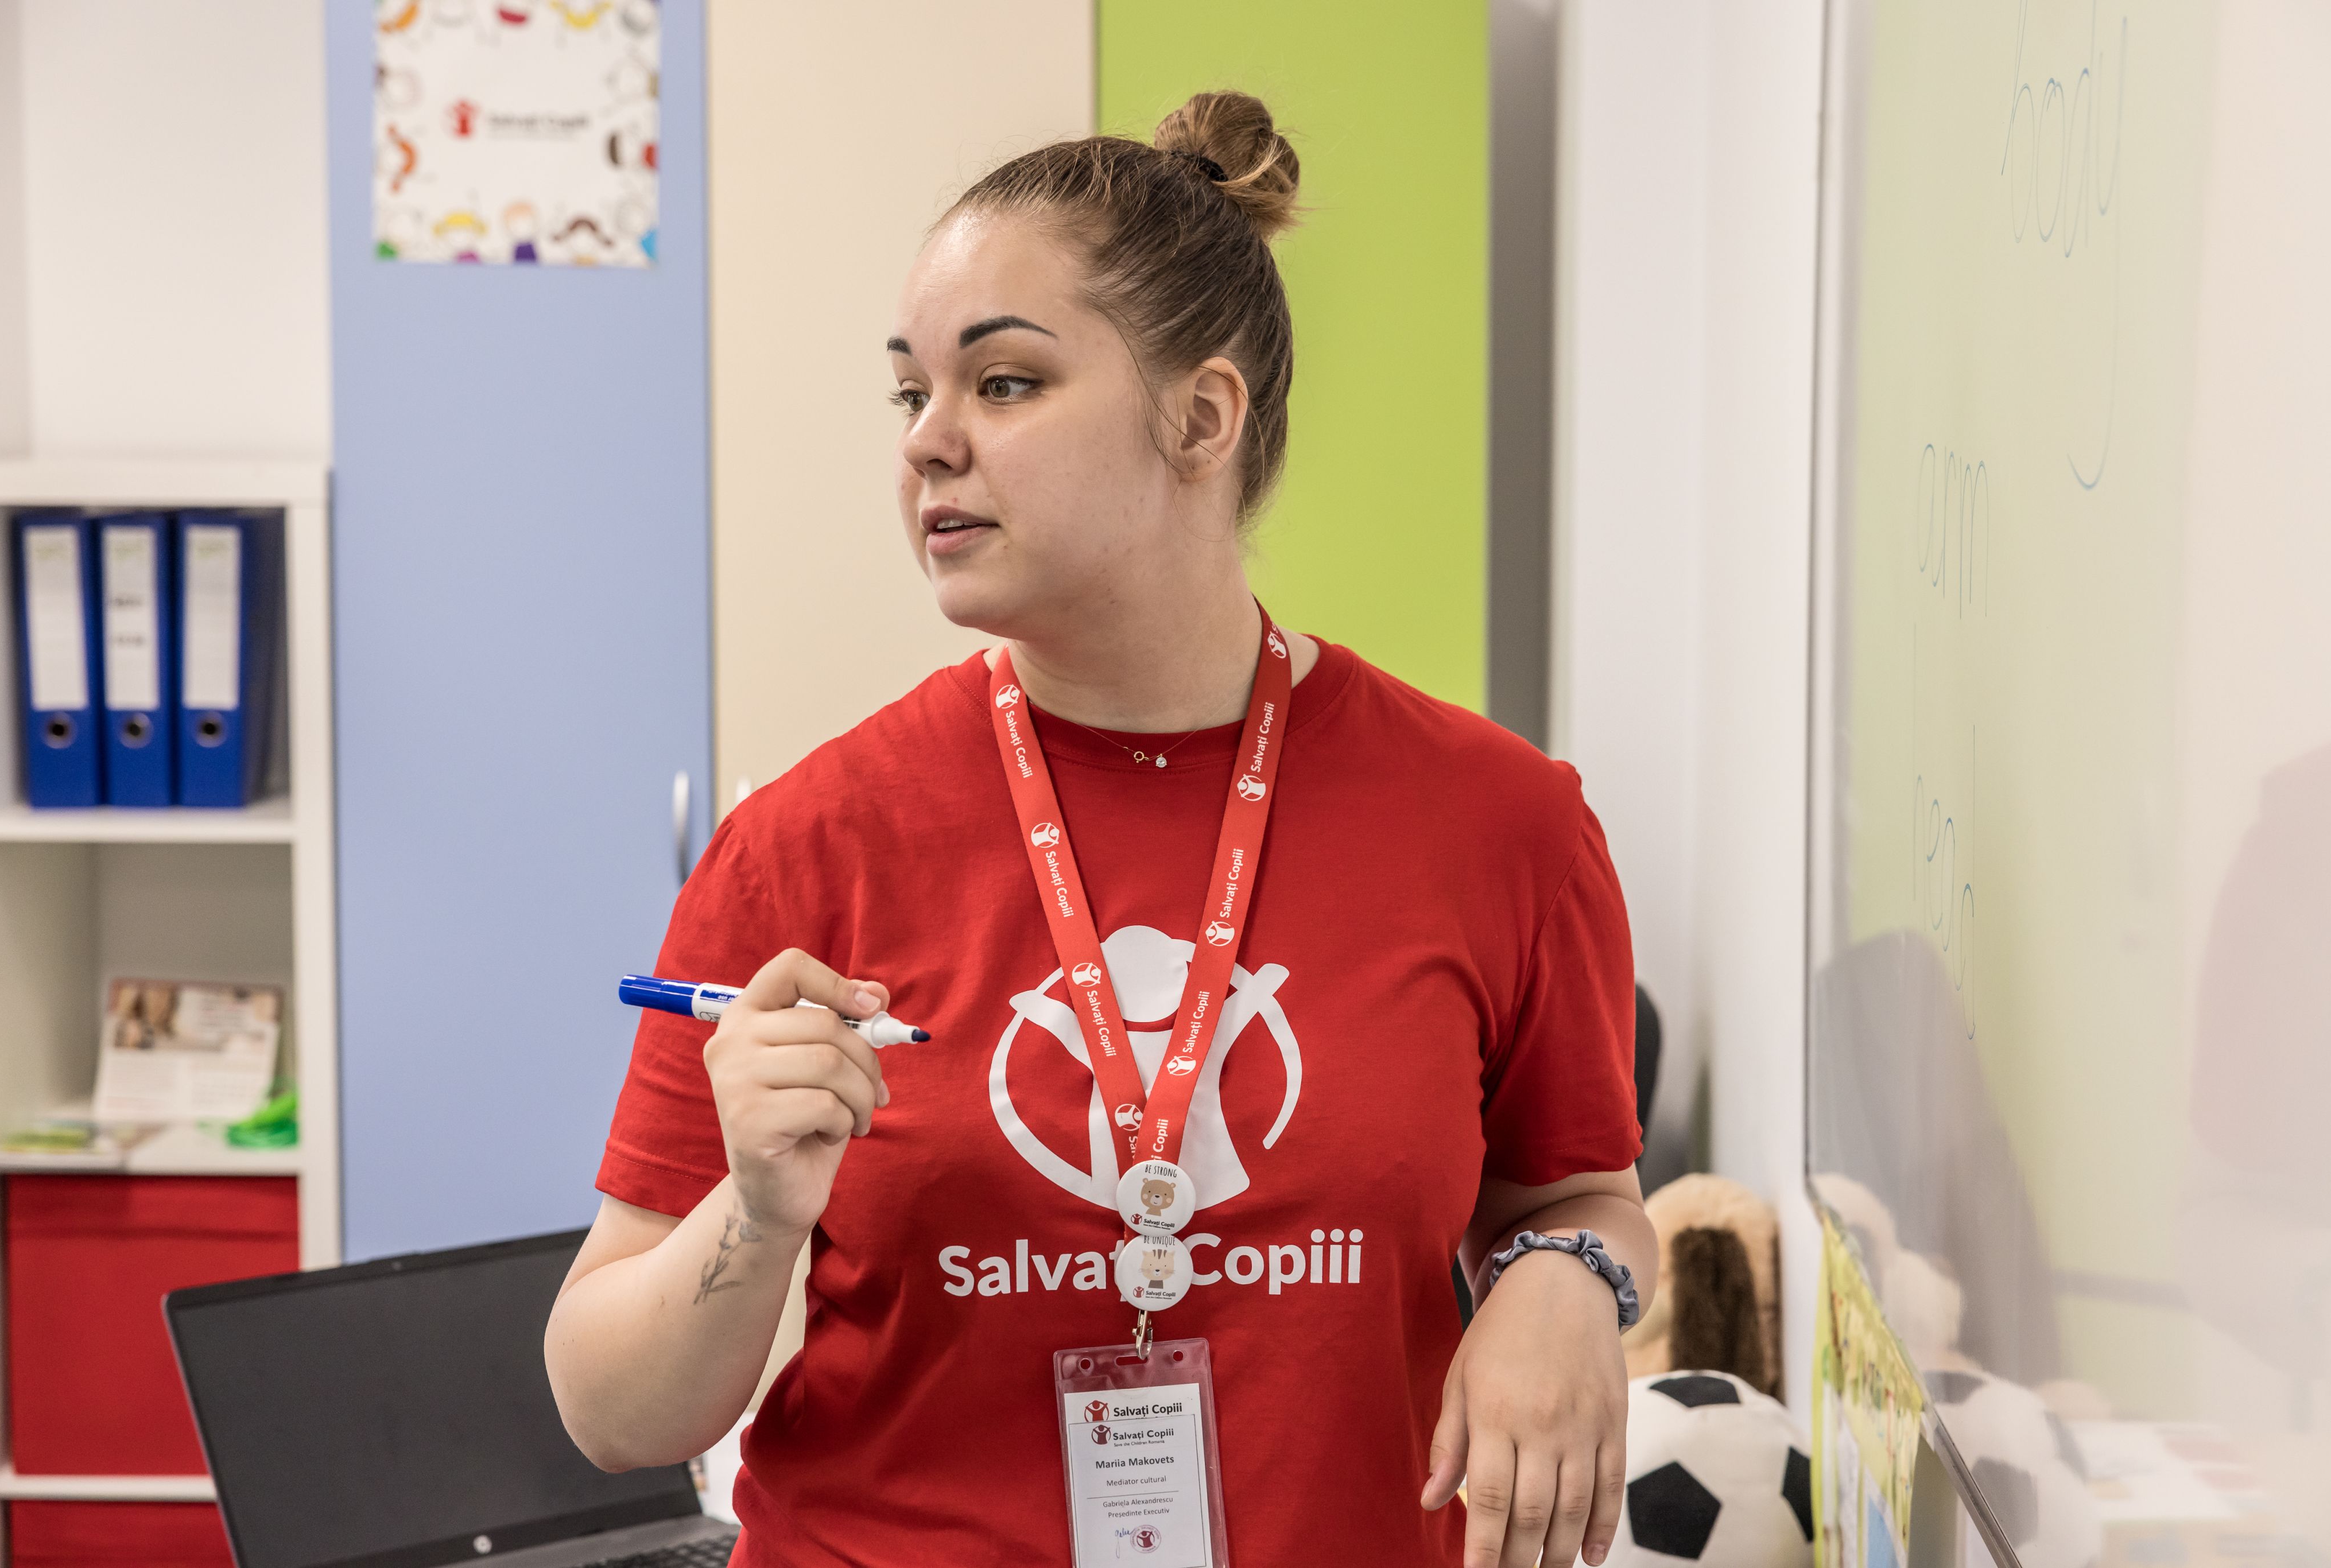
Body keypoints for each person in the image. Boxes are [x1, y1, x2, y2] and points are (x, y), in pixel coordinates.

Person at [545, 90, 1656, 1568]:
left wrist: (1568, 1280)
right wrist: (753, 1215)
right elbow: (611, 1411)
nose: (929, 445)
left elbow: (1579, 1196)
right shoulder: (805, 847)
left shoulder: (1498, 822)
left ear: (1199, 418)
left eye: (1000, 385)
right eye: (909, 395)